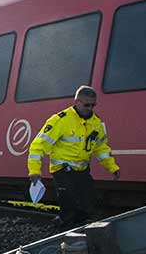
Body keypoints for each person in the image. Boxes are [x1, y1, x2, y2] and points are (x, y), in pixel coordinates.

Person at [28, 85, 119, 230]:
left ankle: (65, 225)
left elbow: (101, 148)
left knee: (88, 205)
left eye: (93, 105)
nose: (90, 108)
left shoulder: (96, 123)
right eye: (86, 104)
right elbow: (38, 146)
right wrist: (34, 170)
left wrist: (112, 167)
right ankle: (66, 235)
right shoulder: (60, 120)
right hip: (62, 171)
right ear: (77, 102)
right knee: (68, 205)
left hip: (82, 170)